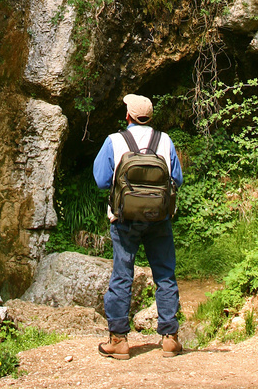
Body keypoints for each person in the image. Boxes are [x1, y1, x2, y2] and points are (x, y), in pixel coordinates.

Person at [93, 93, 183, 361]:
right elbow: (177, 179)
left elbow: (101, 180)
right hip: (158, 219)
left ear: (128, 116)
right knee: (164, 274)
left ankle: (119, 341)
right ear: (150, 117)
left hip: (124, 220)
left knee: (122, 276)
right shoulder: (165, 140)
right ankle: (170, 338)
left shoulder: (114, 140)